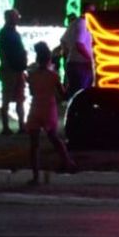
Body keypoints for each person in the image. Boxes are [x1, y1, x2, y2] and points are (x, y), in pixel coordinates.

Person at [23, 41, 76, 185]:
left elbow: (32, 92)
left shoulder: (31, 75)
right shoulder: (53, 76)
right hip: (49, 108)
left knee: (34, 145)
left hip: (35, 108)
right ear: (48, 60)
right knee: (54, 138)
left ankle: (35, 176)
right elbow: (63, 94)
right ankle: (67, 162)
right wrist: (68, 85)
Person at [0, 9, 29, 135]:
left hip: (18, 69)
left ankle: (21, 126)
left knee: (19, 99)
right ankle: (6, 127)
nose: (18, 19)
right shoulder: (4, 33)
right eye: (16, 17)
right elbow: (2, 52)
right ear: (9, 18)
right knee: (7, 99)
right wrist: (6, 66)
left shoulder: (13, 33)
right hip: (10, 69)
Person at [59, 8, 94, 96]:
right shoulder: (83, 23)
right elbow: (79, 44)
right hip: (82, 64)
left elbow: (63, 40)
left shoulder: (74, 23)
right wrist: (91, 60)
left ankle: (72, 108)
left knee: (74, 92)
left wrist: (68, 54)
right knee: (82, 94)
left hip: (73, 62)